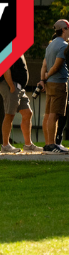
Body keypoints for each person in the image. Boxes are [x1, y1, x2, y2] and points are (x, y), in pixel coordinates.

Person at [39, 20, 69, 154]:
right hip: (58, 83)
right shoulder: (63, 45)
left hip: (51, 83)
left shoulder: (50, 46)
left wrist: (44, 79)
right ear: (63, 29)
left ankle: (47, 144)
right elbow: (56, 66)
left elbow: (44, 64)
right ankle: (51, 145)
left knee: (48, 114)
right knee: (54, 115)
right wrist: (46, 76)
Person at [0, 55, 38, 153]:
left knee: (27, 113)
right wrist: (11, 86)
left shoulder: (19, 51)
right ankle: (5, 146)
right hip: (10, 85)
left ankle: (28, 145)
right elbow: (5, 67)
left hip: (19, 87)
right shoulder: (10, 49)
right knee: (9, 114)